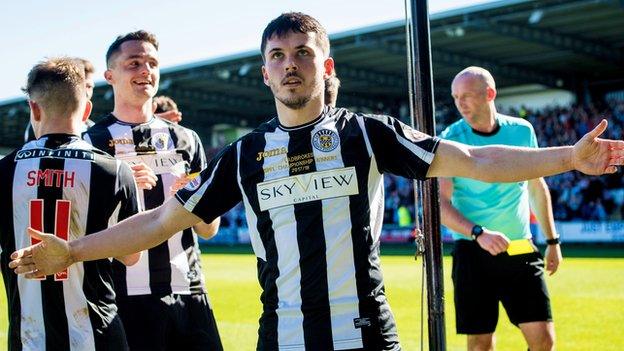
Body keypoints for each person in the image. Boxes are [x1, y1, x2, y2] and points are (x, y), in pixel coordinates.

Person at [9, 13, 624, 351]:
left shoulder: (367, 134)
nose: (289, 64)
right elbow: (163, 221)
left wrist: (570, 156)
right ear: (263, 74)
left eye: (302, 53)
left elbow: (476, 161)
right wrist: (75, 251)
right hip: (282, 337)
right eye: (277, 56)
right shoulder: (246, 154)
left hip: (366, 334)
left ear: (324, 65)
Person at [81, 31, 222, 351]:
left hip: (190, 295)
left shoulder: (186, 139)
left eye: (152, 63)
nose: (145, 70)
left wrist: (192, 198)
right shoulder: (92, 144)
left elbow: (209, 228)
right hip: (123, 299)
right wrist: (118, 184)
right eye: (134, 63)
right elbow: (83, 228)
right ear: (110, 76)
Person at [0, 57, 141, 350]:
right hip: (99, 335)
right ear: (87, 109)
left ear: (34, 108)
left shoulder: (5, 170)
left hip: (29, 339)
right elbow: (131, 257)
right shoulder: (114, 171)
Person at [440, 66, 561, 351]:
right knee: (480, 344)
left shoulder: (522, 131)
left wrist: (552, 241)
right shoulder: (449, 138)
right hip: (472, 250)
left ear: (490, 94)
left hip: (520, 248)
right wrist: (478, 232)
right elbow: (440, 205)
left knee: (543, 341)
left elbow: (536, 187)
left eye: (467, 96)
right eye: (456, 97)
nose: (461, 104)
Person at [24, 57, 96, 142]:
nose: (86, 92)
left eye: (89, 87)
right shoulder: (37, 125)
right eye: (82, 87)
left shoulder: (94, 129)